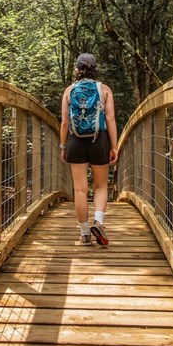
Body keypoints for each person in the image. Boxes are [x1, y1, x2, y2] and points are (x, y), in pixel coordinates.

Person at [60, 53, 118, 246]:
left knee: (80, 189)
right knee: (100, 186)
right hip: (99, 140)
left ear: (77, 69)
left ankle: (85, 234)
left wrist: (63, 146)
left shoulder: (69, 91)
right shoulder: (105, 90)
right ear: (95, 69)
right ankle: (99, 222)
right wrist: (114, 146)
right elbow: (110, 119)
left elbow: (65, 123)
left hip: (75, 141)